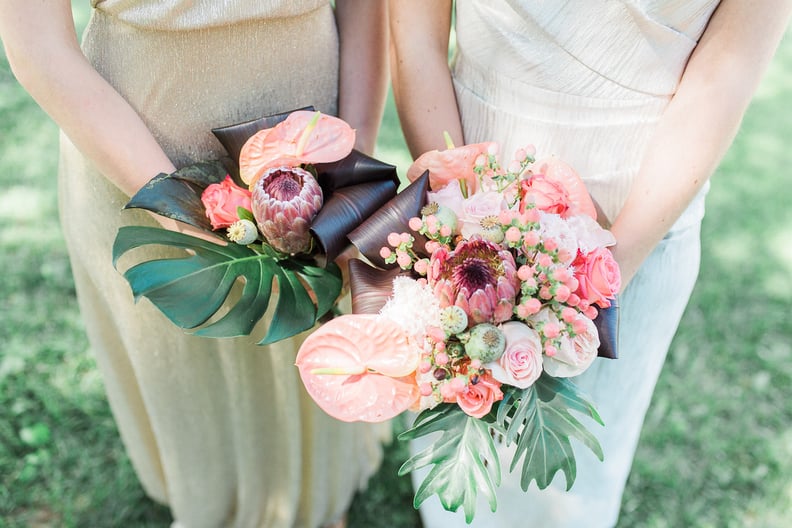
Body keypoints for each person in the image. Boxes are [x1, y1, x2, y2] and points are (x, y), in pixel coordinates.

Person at [389, 1, 791, 526]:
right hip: (465, 207)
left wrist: (597, 278)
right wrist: (461, 208)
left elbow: (724, 78)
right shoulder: (460, 221)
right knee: (459, 440)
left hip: (640, 226)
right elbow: (415, 34)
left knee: (572, 476)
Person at [0, 1, 389, 527]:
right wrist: (172, 204)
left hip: (315, 153)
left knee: (309, 345)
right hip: (133, 155)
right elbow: (38, 44)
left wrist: (353, 162)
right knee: (189, 374)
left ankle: (312, 501)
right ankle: (211, 503)